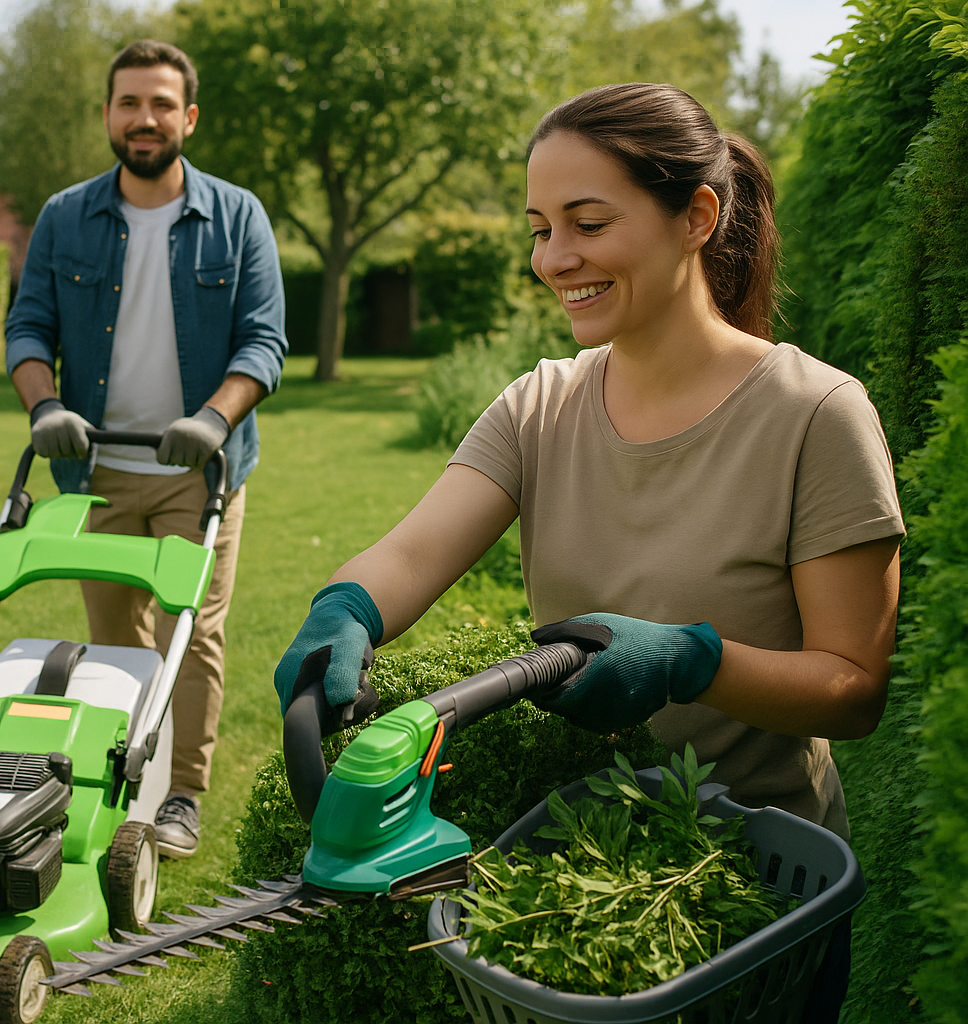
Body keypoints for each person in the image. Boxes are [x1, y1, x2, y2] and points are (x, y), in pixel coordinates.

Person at [274, 84, 902, 1021]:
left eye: (588, 223)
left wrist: (693, 662)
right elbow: (409, 555)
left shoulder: (815, 416)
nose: (554, 259)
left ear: (697, 217)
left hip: (759, 890)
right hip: (591, 861)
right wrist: (346, 612)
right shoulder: (541, 406)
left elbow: (855, 687)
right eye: (538, 229)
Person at [5, 40, 288, 858]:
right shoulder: (66, 216)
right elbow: (28, 328)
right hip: (96, 471)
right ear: (107, 115)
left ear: (188, 117)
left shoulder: (237, 216)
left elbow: (263, 342)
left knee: (190, 635)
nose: (144, 119)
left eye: (161, 104)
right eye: (129, 103)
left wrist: (214, 420)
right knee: (116, 642)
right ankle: (127, 781)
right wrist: (44, 404)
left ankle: (183, 798)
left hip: (200, 474)